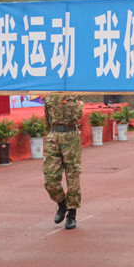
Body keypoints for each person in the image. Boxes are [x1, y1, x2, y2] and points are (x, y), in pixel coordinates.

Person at [43, 93, 84, 229]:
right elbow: (46, 120)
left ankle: (72, 214)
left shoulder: (76, 94)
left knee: (72, 176)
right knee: (50, 179)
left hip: (70, 135)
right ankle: (62, 203)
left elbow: (78, 115)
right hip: (53, 137)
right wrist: (49, 136)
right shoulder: (48, 94)